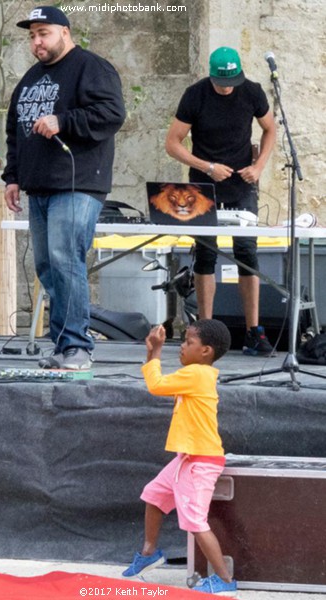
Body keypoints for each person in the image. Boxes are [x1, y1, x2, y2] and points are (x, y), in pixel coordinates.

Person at [2, 6, 125, 370]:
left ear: (65, 33)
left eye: (44, 33)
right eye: (32, 36)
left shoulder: (92, 67)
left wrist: (63, 120)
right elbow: (16, 130)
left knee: (64, 258)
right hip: (38, 186)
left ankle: (77, 346)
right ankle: (62, 345)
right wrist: (13, 176)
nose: (37, 41)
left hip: (78, 182)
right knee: (47, 266)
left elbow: (112, 113)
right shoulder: (29, 78)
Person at [165, 47, 277, 357]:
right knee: (205, 254)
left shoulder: (252, 92)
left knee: (246, 252)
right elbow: (172, 143)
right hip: (204, 185)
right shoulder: (195, 95)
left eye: (231, 82)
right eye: (221, 82)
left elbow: (270, 129)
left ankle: (254, 332)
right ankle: (205, 330)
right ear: (211, 76)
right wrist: (206, 166)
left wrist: (259, 167)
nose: (226, 88)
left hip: (242, 184)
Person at [122, 319, 237, 596]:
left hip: (200, 462)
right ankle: (149, 552)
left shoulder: (197, 373)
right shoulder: (196, 373)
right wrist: (152, 352)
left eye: (188, 342)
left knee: (195, 522)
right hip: (187, 459)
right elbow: (158, 382)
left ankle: (224, 581)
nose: (182, 347)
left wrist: (157, 350)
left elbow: (156, 385)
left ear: (206, 351)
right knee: (153, 495)